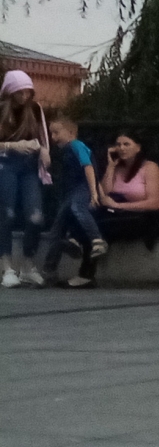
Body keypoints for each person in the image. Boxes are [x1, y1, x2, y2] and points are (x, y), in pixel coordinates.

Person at [36, 112, 101, 287]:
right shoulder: (65, 151)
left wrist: (94, 193)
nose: (53, 137)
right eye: (51, 133)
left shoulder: (76, 145)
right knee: (57, 229)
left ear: (71, 132)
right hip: (70, 192)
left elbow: (88, 167)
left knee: (77, 208)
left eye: (57, 132)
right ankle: (49, 270)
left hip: (81, 189)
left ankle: (96, 240)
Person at [0, 70, 48, 288]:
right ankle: (7, 267)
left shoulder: (35, 109)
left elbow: (43, 136)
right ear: (10, 91)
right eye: (20, 91)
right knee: (7, 214)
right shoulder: (1, 110)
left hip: (29, 167)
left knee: (35, 216)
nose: (24, 96)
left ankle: (28, 265)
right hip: (5, 164)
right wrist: (14, 145)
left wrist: (45, 151)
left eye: (27, 91)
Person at [96, 134, 159, 253]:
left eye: (126, 144)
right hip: (120, 214)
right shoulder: (116, 168)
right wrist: (110, 166)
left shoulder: (149, 167)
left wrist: (118, 206)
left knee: (106, 224)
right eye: (118, 145)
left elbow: (154, 203)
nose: (121, 148)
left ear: (138, 148)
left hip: (145, 215)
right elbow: (104, 195)